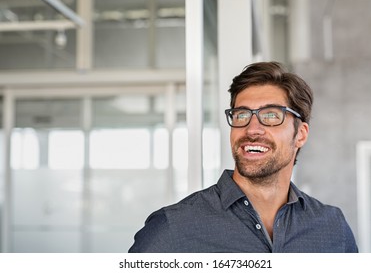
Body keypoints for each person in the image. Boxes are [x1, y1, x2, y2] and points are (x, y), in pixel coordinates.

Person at [128, 61, 358, 253]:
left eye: (270, 115)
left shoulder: (332, 228)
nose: (252, 129)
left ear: (300, 134)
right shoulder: (173, 228)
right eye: (241, 115)